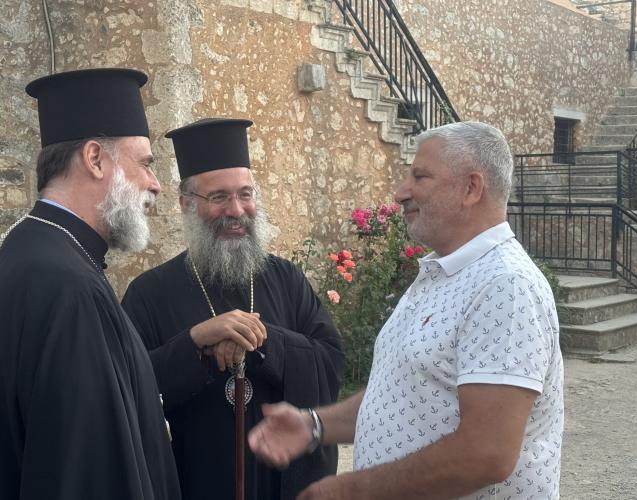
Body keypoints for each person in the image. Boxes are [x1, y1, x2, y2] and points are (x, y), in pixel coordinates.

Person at [249, 121, 564, 499]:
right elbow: (403, 392)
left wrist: (350, 492)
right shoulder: (443, 274)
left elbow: (486, 454)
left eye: (420, 176)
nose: (401, 192)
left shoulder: (505, 285)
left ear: (471, 188)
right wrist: (314, 425)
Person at [121, 118, 345, 500]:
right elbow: (127, 385)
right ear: (187, 204)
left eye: (245, 194)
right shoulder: (149, 293)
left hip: (281, 484)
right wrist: (196, 345)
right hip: (191, 481)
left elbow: (330, 363)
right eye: (219, 197)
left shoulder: (287, 279)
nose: (237, 210)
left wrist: (265, 342)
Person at [0, 68, 180, 500]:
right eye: (146, 164)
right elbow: (87, 472)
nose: (155, 185)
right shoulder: (69, 286)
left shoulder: (33, 251)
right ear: (95, 158)